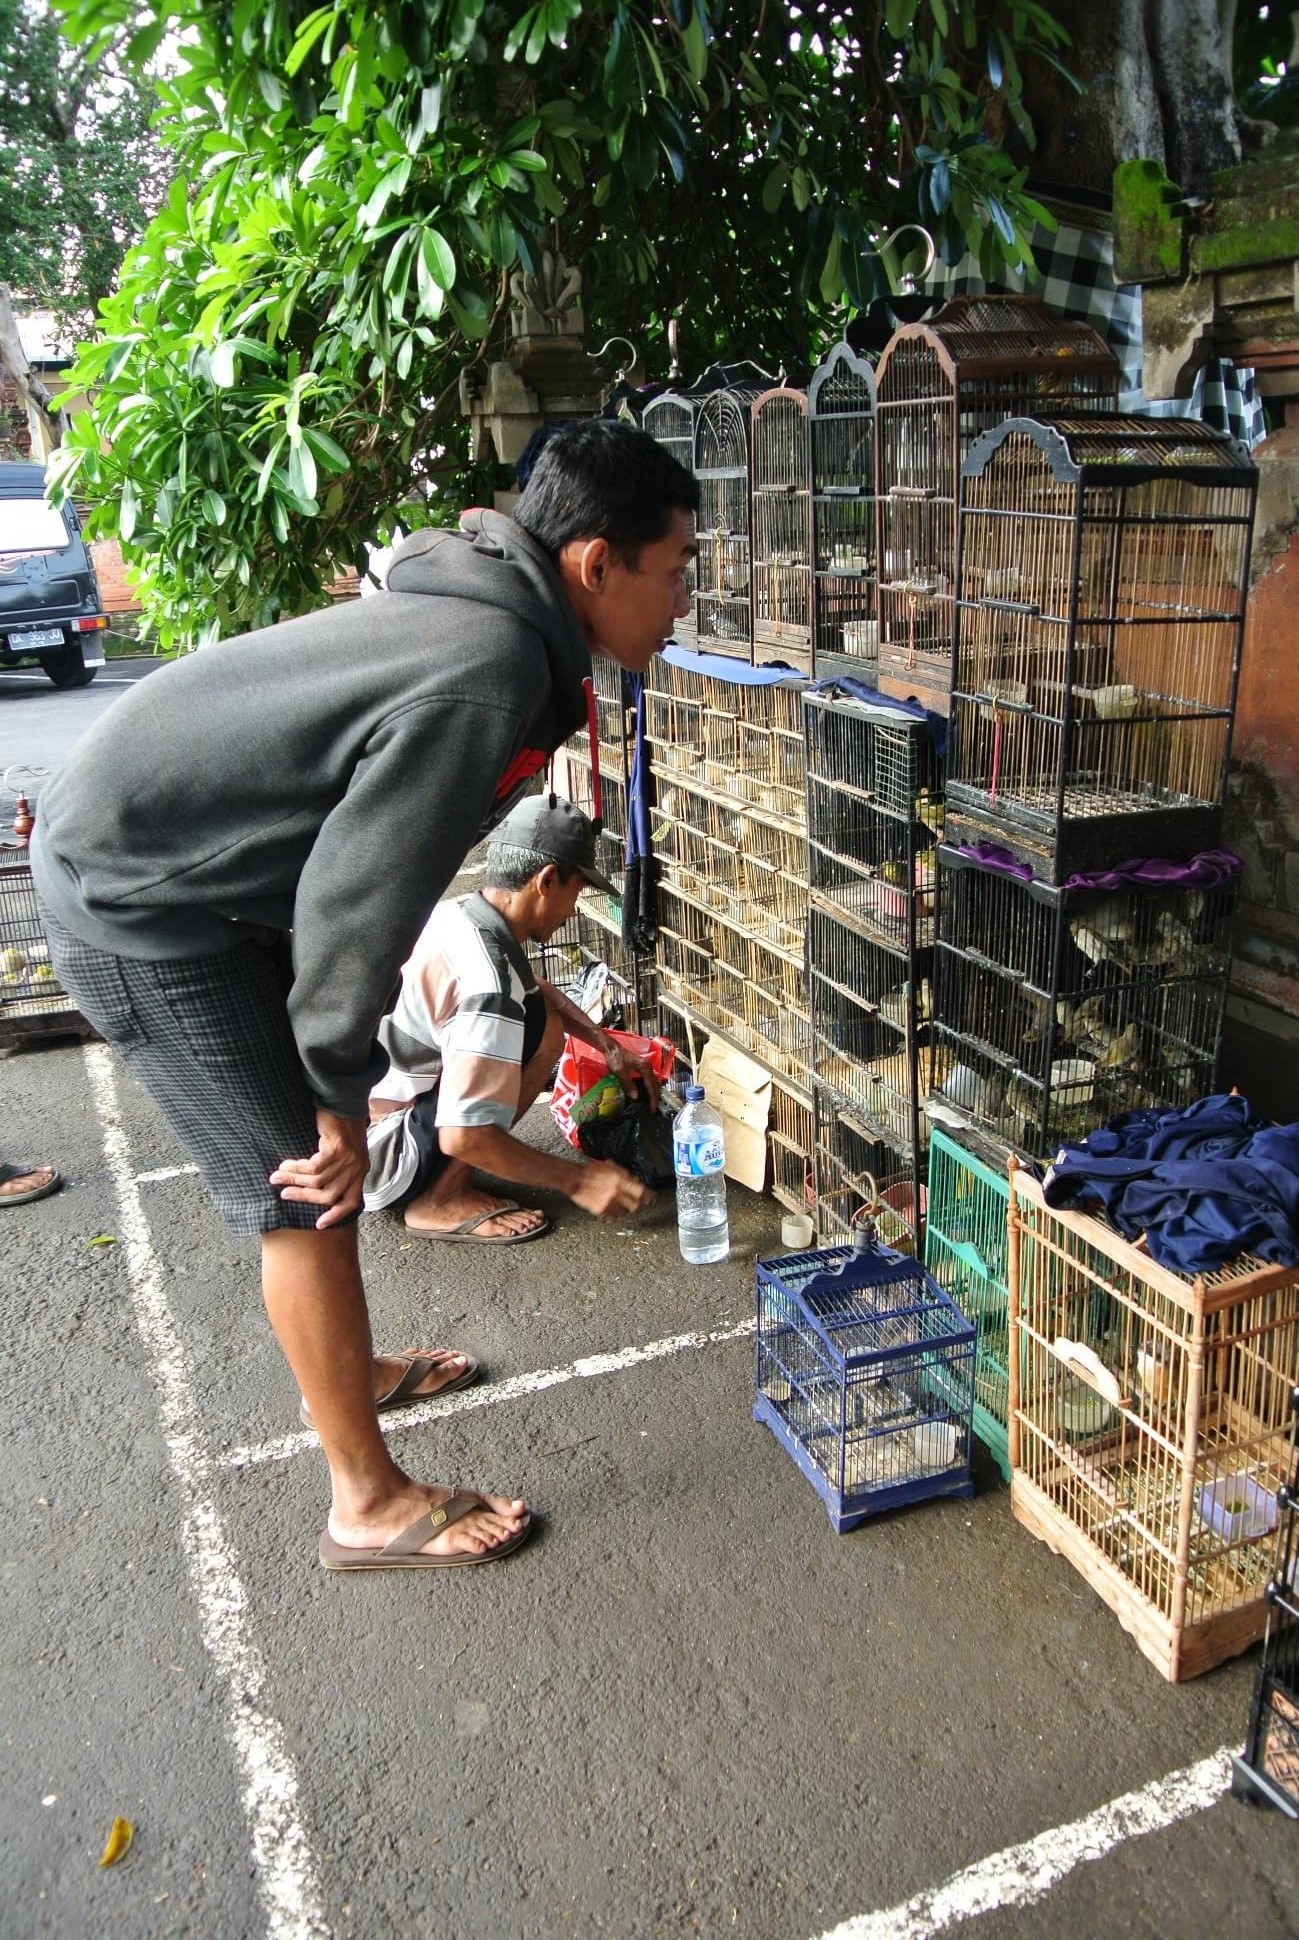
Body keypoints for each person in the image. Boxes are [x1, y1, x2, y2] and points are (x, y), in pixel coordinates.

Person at [30, 418, 698, 1573]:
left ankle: (355, 1377)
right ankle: (364, 1500)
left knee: (317, 1155)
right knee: (306, 1183)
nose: (685, 601)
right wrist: (336, 1092)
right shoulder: (488, 666)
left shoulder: (490, 609)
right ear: (597, 564)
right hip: (141, 901)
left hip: (203, 877)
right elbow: (360, 895)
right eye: (678, 569)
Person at [363, 793, 659, 1252]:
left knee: (537, 1018)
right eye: (576, 891)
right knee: (540, 1036)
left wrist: (608, 1045)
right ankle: (439, 1200)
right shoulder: (489, 986)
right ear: (545, 881)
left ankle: (444, 1180)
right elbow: (464, 1136)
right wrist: (579, 1181)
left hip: (368, 1125)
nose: (573, 910)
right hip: (388, 1158)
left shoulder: (463, 914)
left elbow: (533, 986)